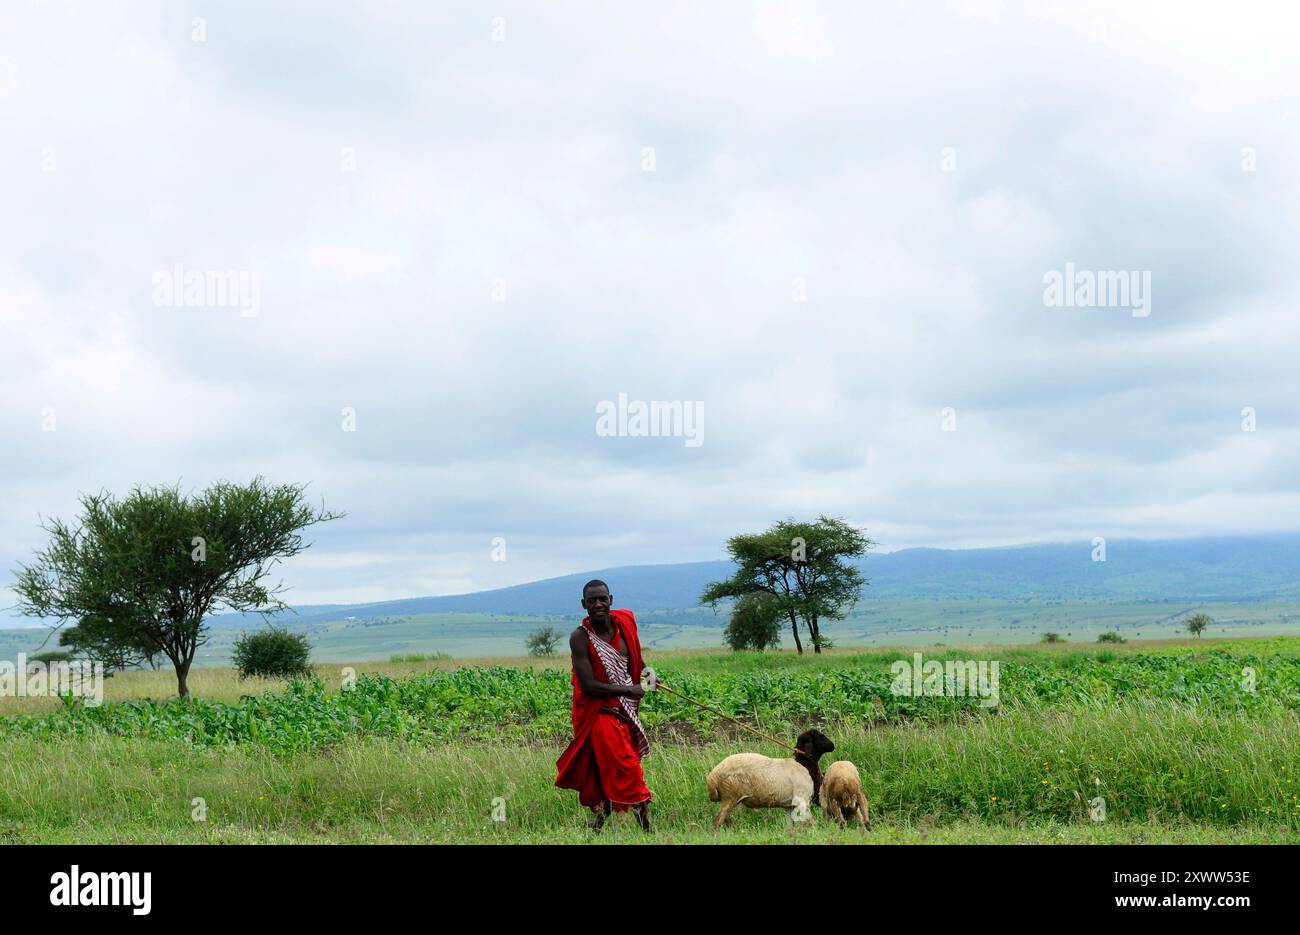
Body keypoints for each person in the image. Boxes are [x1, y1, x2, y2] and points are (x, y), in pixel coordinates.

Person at [554, 579, 652, 831]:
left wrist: (648, 674)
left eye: (602, 599)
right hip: (600, 715)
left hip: (625, 713)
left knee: (604, 771)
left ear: (611, 600)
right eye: (591, 601)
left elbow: (635, 659)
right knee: (628, 767)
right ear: (583, 605)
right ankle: (647, 830)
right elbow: (588, 685)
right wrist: (631, 689)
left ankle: (597, 825)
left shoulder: (625, 624)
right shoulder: (580, 637)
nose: (597, 604)